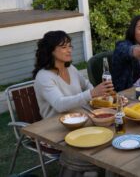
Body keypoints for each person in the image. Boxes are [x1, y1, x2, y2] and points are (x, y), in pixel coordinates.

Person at [33, 30, 113, 176]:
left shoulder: (71, 68)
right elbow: (59, 104)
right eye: (64, 47)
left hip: (81, 122)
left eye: (70, 46)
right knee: (107, 153)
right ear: (51, 50)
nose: (69, 50)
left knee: (113, 137)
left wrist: (99, 96)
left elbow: (86, 84)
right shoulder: (44, 77)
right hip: (57, 130)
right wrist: (91, 93)